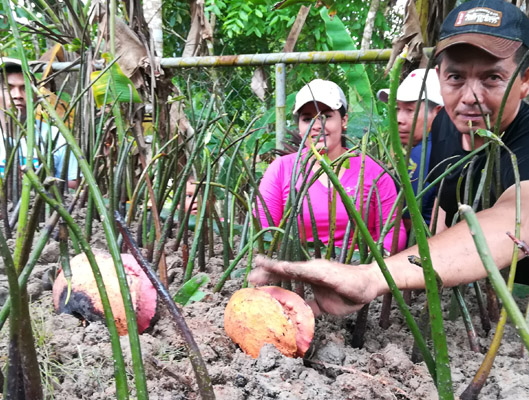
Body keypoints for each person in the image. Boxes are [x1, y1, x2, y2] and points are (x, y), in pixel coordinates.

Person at [250, 0, 529, 315]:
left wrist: (371, 276)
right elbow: (439, 215)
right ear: (439, 77)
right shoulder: (443, 127)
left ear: (525, 80)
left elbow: (516, 220)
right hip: (478, 285)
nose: (469, 97)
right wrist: (416, 277)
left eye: (492, 78)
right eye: (455, 77)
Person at [257, 79, 407, 252]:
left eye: (326, 116)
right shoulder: (280, 169)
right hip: (299, 264)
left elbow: (394, 233)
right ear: (299, 126)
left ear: (344, 120)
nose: (316, 126)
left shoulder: (373, 170)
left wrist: (368, 261)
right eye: (307, 119)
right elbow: (265, 234)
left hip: (362, 264)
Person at [378, 69, 443, 229]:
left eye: (410, 110)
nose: (399, 119)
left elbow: (403, 221)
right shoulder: (446, 147)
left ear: (438, 112)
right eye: (397, 109)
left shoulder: (420, 155)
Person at [0, 57, 79, 188]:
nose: (17, 95)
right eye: (8, 88)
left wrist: (38, 184)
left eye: (25, 88)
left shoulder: (56, 136)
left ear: (36, 95)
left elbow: (73, 183)